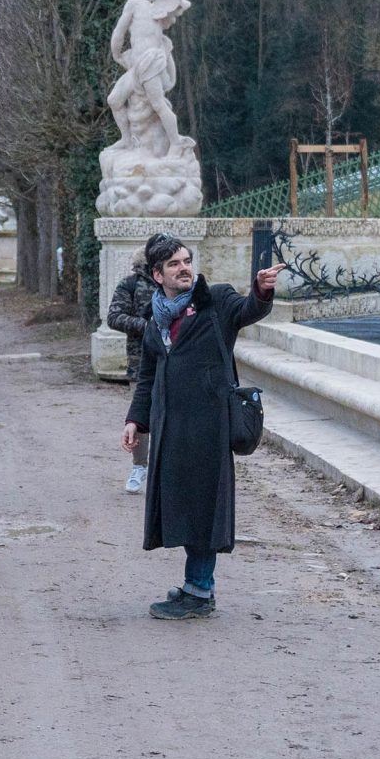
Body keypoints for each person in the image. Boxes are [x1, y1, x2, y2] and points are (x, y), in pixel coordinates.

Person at [121, 235, 282, 620]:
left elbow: (248, 310)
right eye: (174, 264)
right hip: (171, 428)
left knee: (204, 508)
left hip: (209, 426)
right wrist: (135, 419)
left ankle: (199, 591)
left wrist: (261, 290)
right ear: (157, 274)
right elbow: (148, 375)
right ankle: (196, 585)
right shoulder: (155, 316)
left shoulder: (216, 300)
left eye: (187, 260)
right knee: (181, 506)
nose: (184, 268)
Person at [104, 254, 157, 496]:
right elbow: (114, 317)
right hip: (140, 362)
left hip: (176, 361)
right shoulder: (130, 284)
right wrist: (146, 326)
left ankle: (166, 470)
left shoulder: (175, 283)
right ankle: (139, 465)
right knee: (141, 418)